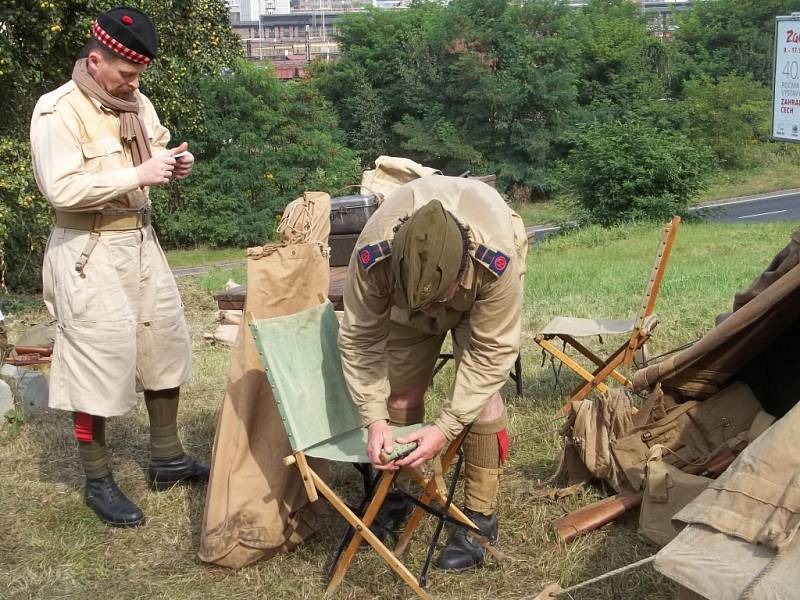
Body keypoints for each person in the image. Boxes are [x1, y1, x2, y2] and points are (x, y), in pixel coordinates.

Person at [29, 7, 208, 528]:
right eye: (127, 73)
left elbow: (152, 152)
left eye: (138, 74)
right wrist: (139, 172)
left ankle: (168, 457)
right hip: (88, 251)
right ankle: (98, 479)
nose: (134, 83)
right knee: (95, 364)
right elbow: (59, 189)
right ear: (96, 60)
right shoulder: (56, 110)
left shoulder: (136, 103)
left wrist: (173, 163)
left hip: (140, 242)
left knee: (164, 345)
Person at [338, 175, 527, 570]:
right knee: (400, 395)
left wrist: (445, 427)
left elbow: (492, 352)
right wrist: (374, 420)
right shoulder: (373, 258)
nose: (432, 312)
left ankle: (478, 517)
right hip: (405, 296)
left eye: (438, 300)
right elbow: (360, 340)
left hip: (480, 290)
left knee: (482, 399)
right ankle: (400, 492)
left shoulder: (496, 261)